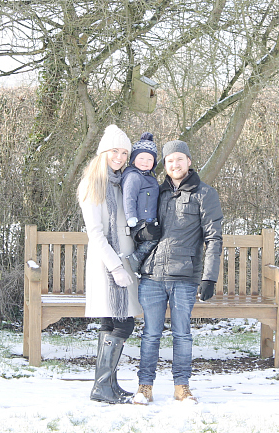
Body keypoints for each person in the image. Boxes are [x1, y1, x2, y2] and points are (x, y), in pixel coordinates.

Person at [133, 140, 223, 404]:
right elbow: (135, 225)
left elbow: (213, 238)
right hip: (152, 275)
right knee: (150, 334)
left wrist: (209, 277)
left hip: (184, 276)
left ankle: (181, 386)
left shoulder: (204, 194)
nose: (175, 164)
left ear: (189, 162)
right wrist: (143, 233)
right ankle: (145, 386)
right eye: (170, 160)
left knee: (182, 334)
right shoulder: (154, 191)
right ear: (165, 165)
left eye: (179, 159)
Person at [77, 124, 142, 404]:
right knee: (123, 323)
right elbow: (96, 233)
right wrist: (115, 268)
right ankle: (102, 386)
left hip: (123, 262)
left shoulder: (120, 182)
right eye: (115, 151)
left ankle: (107, 385)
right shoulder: (93, 183)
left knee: (111, 322)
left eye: (124, 152)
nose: (119, 157)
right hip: (108, 264)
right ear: (103, 151)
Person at [121, 132, 160, 275]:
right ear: (133, 160)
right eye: (141, 158)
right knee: (153, 239)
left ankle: (141, 266)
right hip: (139, 221)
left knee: (155, 240)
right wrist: (131, 216)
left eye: (149, 159)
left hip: (150, 220)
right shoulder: (133, 176)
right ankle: (135, 259)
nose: (145, 162)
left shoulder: (150, 178)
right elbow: (129, 197)